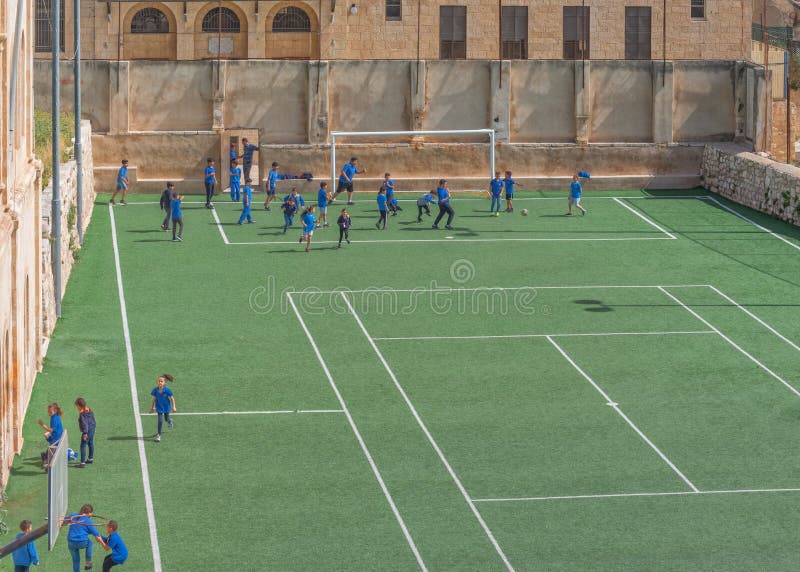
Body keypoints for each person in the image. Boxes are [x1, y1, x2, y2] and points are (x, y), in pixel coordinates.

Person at [64, 504, 106, 572]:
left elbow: (64, 522)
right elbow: (96, 534)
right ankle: (88, 563)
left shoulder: (73, 515)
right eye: (91, 513)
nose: (92, 514)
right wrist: (103, 542)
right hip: (81, 542)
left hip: (71, 542)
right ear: (88, 513)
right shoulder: (88, 521)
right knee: (90, 543)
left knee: (76, 561)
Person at [149, 374, 176, 442]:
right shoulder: (155, 390)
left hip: (166, 407)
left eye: (161, 381)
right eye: (159, 381)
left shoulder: (167, 390)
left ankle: (170, 421)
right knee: (160, 421)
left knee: (166, 419)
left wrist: (174, 407)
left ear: (165, 383)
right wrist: (151, 408)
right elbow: (153, 399)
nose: (160, 382)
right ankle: (159, 435)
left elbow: (172, 398)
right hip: (159, 408)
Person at [38, 402, 64, 469]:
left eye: (50, 411)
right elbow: (53, 430)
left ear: (54, 411)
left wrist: (42, 425)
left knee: (51, 454)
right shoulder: (55, 416)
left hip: (56, 439)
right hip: (58, 436)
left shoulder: (54, 419)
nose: (48, 413)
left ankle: (47, 464)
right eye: (48, 411)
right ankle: (45, 457)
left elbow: (51, 430)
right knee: (49, 449)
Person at [74, 398, 96, 468]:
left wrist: (85, 433)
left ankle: (82, 462)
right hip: (92, 428)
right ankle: (90, 458)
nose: (76, 407)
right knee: (90, 443)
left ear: (79, 406)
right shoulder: (89, 409)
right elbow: (92, 420)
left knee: (83, 445)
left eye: (76, 406)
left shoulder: (82, 414)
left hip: (87, 430)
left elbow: (84, 423)